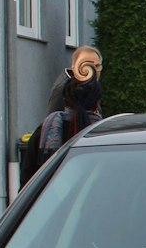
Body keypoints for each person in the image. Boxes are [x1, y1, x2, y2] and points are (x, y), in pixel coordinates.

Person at [21, 46, 103, 186]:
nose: (91, 70)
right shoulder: (62, 93)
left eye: (96, 65)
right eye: (86, 64)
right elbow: (51, 129)